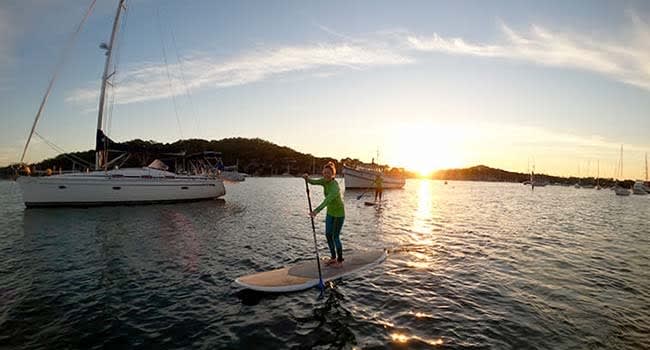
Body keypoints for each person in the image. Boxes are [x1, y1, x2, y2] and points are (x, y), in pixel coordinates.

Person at [303, 162, 345, 267]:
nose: (326, 175)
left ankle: (340, 260)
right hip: (330, 213)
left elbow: (327, 201)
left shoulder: (335, 187)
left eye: (328, 173)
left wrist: (316, 211)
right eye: (324, 173)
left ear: (333, 174)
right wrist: (307, 179)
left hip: (338, 214)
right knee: (327, 235)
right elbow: (313, 182)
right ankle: (333, 257)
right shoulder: (324, 181)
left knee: (335, 236)